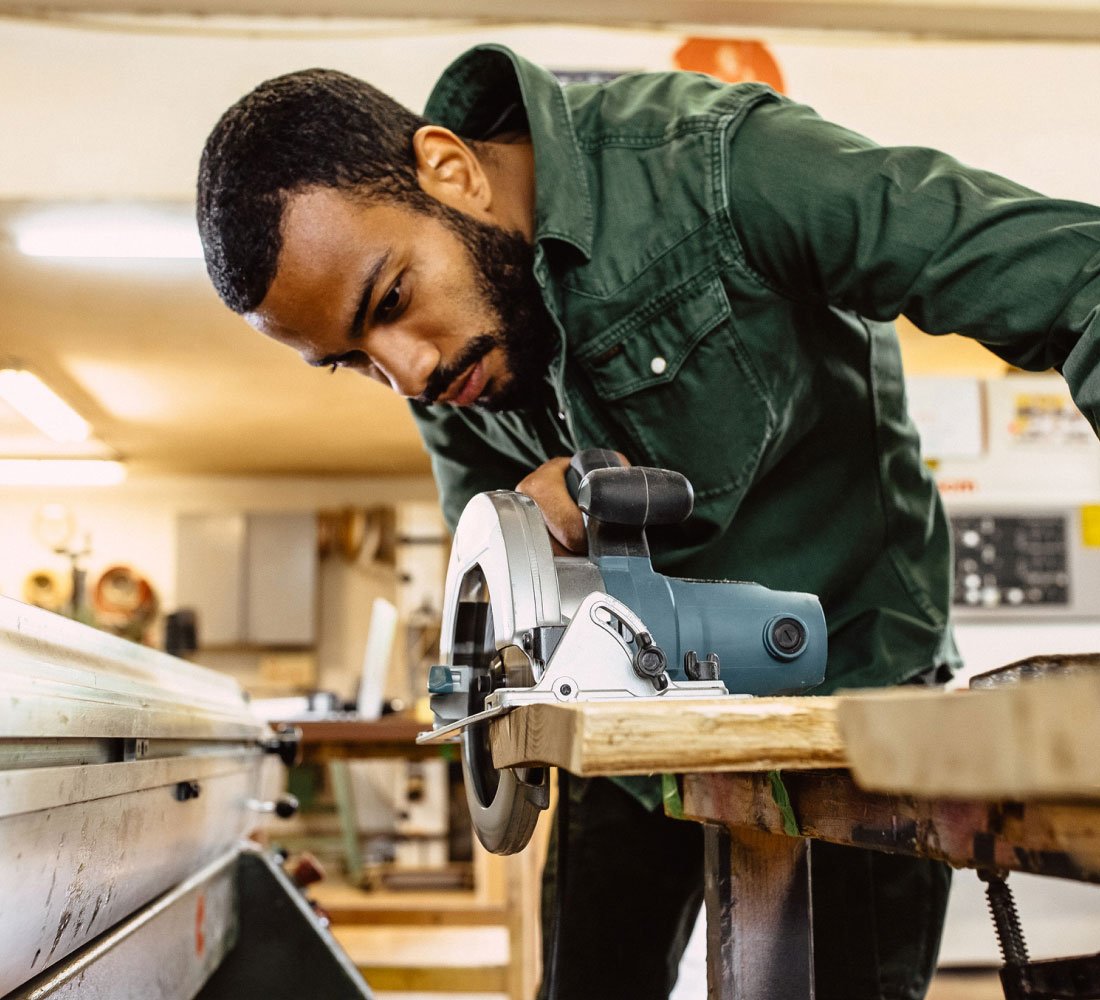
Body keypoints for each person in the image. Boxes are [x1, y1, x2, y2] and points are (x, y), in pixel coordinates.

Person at [196, 43, 1100, 1000]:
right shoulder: (441, 359)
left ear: (449, 170)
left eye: (391, 301)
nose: (407, 373)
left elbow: (1075, 279)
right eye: (354, 358)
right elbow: (487, 568)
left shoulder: (714, 167)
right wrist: (523, 524)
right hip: (626, 727)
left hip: (852, 699)